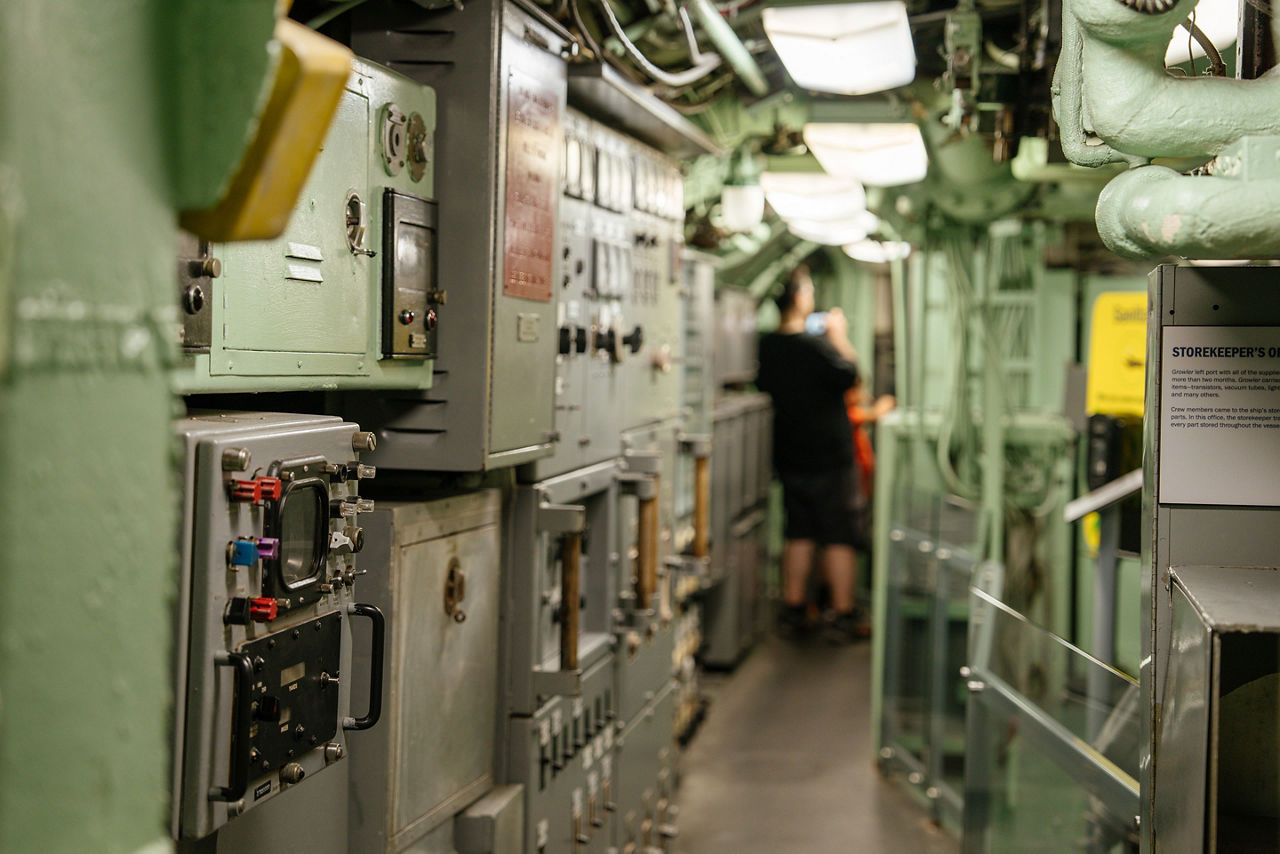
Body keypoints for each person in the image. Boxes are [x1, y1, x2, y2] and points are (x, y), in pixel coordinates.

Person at [756, 265, 863, 641]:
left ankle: (794, 609)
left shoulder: (767, 346)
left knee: (797, 528)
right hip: (830, 458)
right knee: (839, 534)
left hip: (788, 455)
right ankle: (843, 613)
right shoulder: (818, 348)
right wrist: (840, 338)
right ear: (800, 298)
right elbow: (851, 375)